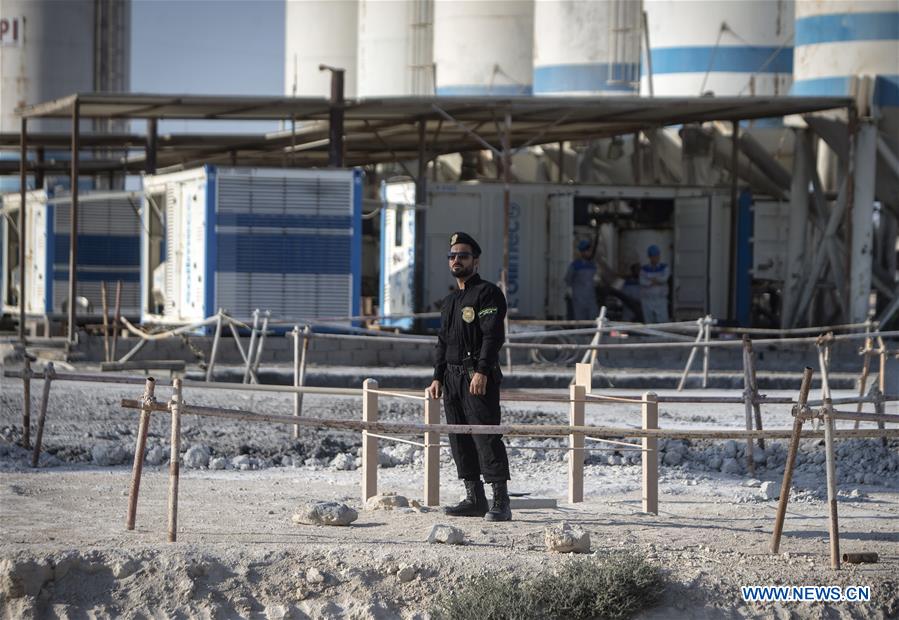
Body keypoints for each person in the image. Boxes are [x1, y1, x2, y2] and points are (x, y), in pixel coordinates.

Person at [426, 232, 512, 522]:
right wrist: (437, 376)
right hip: (451, 380)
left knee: (485, 436)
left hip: (477, 376)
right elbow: (443, 341)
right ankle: (474, 498)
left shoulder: (487, 293)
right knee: (459, 439)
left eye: (462, 255)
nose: (456, 260)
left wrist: (484, 370)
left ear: (475, 260)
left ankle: (500, 500)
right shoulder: (450, 301)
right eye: (452, 256)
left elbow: (492, 335)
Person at [564, 239, 598, 320]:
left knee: (594, 319)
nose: (589, 252)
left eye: (589, 250)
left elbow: (595, 280)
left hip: (591, 298)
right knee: (580, 320)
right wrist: (569, 291)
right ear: (582, 252)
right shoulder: (575, 265)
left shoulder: (593, 265)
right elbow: (568, 279)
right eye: (586, 250)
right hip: (579, 298)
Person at [639, 244, 670, 323]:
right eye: (653, 256)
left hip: (660, 299)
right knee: (649, 321)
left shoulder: (664, 267)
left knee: (662, 320)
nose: (655, 258)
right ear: (649, 257)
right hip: (647, 299)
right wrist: (656, 281)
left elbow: (664, 279)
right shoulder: (644, 269)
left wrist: (651, 280)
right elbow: (643, 282)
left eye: (657, 256)